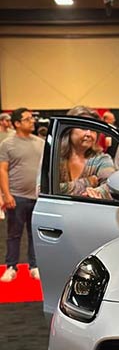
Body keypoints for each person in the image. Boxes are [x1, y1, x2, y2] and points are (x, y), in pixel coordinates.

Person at [0, 107, 45, 282]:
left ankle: (34, 265)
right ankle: (11, 266)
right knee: (14, 234)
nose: (32, 121)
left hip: (37, 197)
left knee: (35, 233)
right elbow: (2, 170)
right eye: (27, 119)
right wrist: (6, 195)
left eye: (32, 118)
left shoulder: (40, 143)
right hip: (16, 196)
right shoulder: (7, 144)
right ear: (17, 123)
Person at [59, 106, 115, 199]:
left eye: (93, 129)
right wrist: (88, 182)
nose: (89, 134)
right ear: (69, 130)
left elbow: (110, 187)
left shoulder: (102, 159)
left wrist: (97, 192)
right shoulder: (53, 156)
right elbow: (42, 190)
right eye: (83, 128)